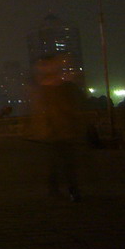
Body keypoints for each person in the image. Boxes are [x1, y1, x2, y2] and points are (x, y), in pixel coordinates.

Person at [29, 53, 84, 201]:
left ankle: (63, 189)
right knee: (61, 163)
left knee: (61, 163)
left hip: (58, 131)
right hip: (56, 132)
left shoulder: (46, 89)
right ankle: (66, 189)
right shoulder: (55, 89)